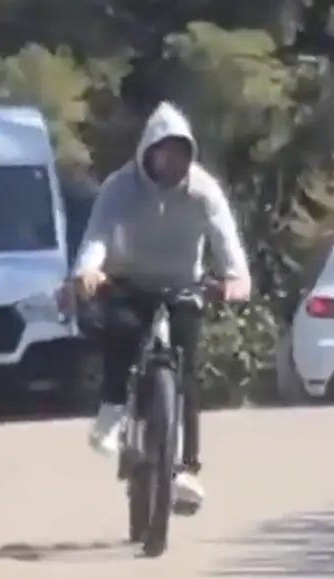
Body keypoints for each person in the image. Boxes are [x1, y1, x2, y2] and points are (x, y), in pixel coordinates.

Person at [72, 101, 251, 508]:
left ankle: (186, 467)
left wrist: (236, 278)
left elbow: (226, 240)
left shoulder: (203, 190)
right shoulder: (120, 186)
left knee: (186, 371)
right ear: (147, 151)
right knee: (123, 334)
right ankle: (111, 417)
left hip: (183, 287)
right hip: (128, 283)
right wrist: (88, 270)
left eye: (180, 152)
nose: (171, 162)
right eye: (163, 151)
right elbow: (97, 235)